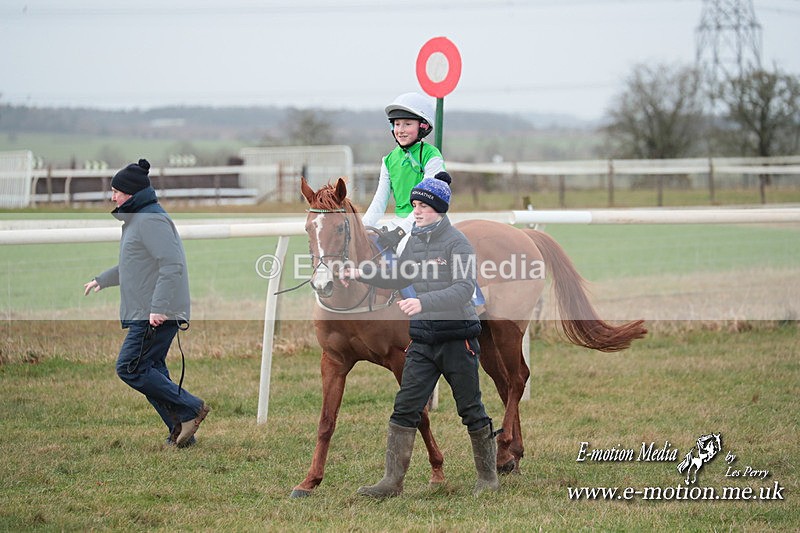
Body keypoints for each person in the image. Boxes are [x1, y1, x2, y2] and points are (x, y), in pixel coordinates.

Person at [342, 171, 499, 497]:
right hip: (423, 341)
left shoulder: (458, 243)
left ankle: (488, 479)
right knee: (405, 408)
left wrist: (422, 302)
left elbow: (463, 289)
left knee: (470, 409)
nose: (416, 211)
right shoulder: (413, 241)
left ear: (439, 209)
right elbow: (398, 275)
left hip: (458, 340)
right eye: (414, 205)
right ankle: (391, 482)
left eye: (423, 206)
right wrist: (360, 272)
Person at [83, 158, 209, 448]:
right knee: (150, 369)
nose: (112, 197)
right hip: (150, 309)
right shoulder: (139, 218)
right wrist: (103, 279)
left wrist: (159, 307)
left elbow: (172, 265)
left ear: (130, 193)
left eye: (116, 191)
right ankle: (181, 430)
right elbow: (135, 264)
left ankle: (191, 408)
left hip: (155, 311)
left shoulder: (149, 220)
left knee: (130, 367)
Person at [362, 92, 446, 255]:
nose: (400, 130)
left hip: (427, 224)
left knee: (401, 249)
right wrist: (362, 227)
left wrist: (400, 232)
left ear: (423, 126)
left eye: (407, 124)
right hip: (399, 222)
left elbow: (427, 203)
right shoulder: (389, 160)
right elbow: (379, 201)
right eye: (397, 124)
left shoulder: (432, 157)